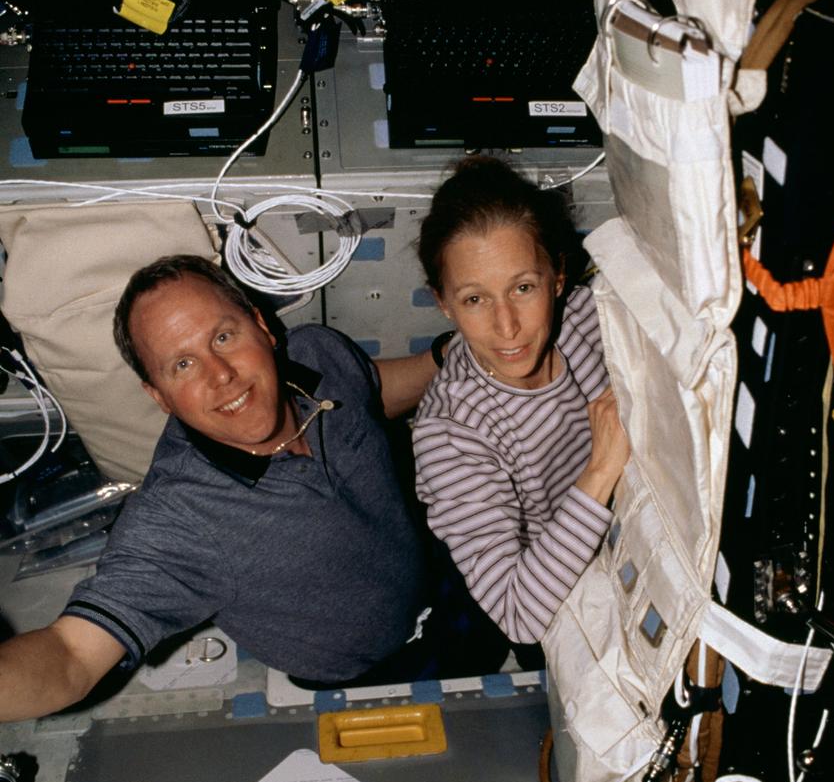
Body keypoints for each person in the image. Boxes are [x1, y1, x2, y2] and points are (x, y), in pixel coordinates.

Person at [0, 254, 507, 723]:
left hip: (441, 576)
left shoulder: (316, 353)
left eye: (223, 337)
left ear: (262, 327)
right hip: (370, 672)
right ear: (159, 397)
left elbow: (367, 391)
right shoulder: (178, 519)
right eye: (182, 365)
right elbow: (71, 656)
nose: (221, 375)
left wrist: (447, 356)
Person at [413, 156, 630, 657]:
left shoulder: (586, 315)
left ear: (558, 277)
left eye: (523, 288)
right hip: (554, 591)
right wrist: (601, 471)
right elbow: (518, 615)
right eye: (475, 299)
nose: (507, 327)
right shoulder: (449, 433)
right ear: (443, 303)